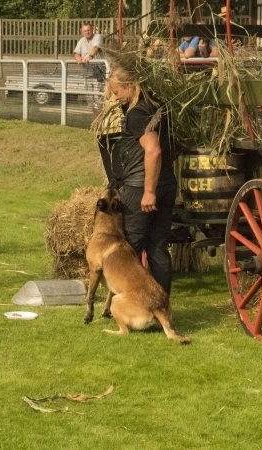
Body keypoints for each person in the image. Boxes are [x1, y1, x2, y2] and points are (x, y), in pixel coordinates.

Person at [106, 64, 177, 295]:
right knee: (158, 247)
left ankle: (134, 301)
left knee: (131, 248)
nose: (116, 98)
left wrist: (148, 191)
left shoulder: (137, 113)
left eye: (117, 92)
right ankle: (161, 304)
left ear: (130, 85)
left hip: (141, 188)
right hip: (167, 184)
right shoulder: (157, 106)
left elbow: (153, 151)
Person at [73, 23, 105, 112]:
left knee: (98, 99)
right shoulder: (82, 40)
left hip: (99, 73)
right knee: (90, 100)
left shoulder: (97, 37)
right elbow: (76, 53)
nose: (87, 32)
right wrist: (78, 58)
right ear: (82, 32)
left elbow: (95, 48)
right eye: (85, 31)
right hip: (87, 74)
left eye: (88, 30)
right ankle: (94, 117)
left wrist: (90, 57)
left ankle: (100, 116)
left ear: (92, 30)